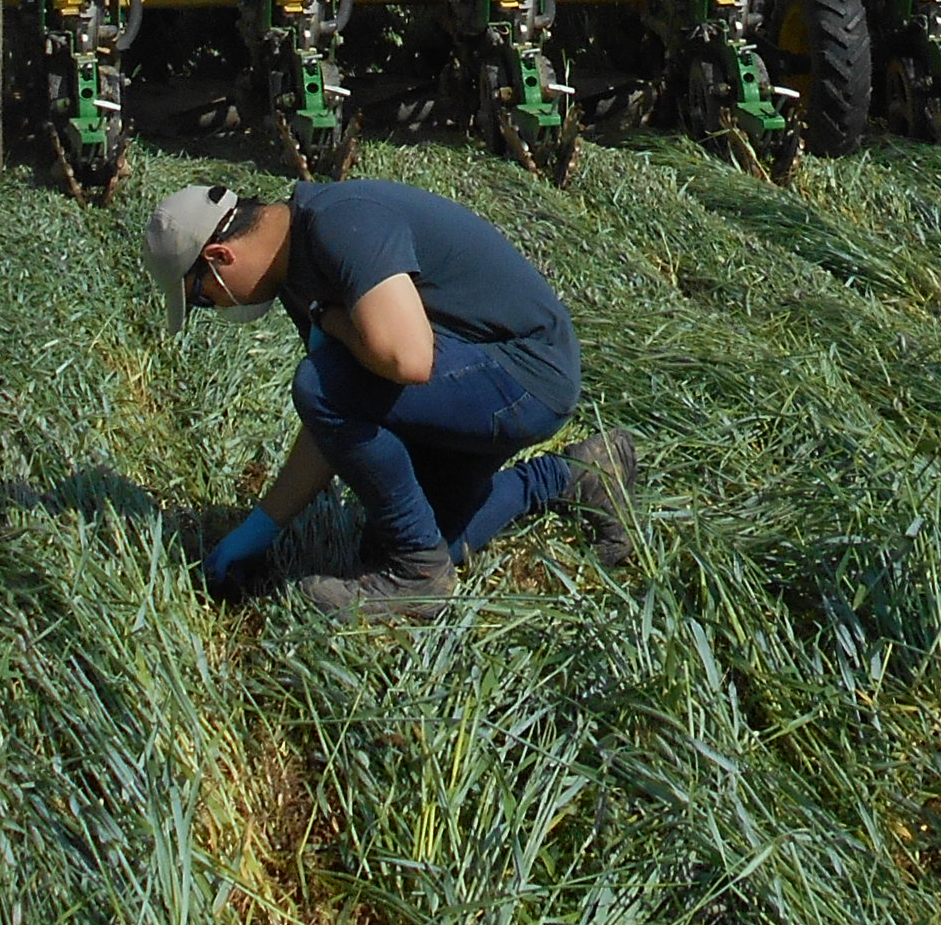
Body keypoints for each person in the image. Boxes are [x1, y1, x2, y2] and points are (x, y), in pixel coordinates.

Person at [145, 180, 637, 616]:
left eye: (205, 298)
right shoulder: (297, 270)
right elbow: (334, 419)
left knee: (324, 386)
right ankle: (578, 473)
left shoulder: (341, 222)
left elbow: (406, 360)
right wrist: (259, 529)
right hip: (473, 373)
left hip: (528, 373)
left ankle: (419, 574)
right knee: (400, 541)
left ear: (220, 258)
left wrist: (331, 321)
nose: (217, 308)